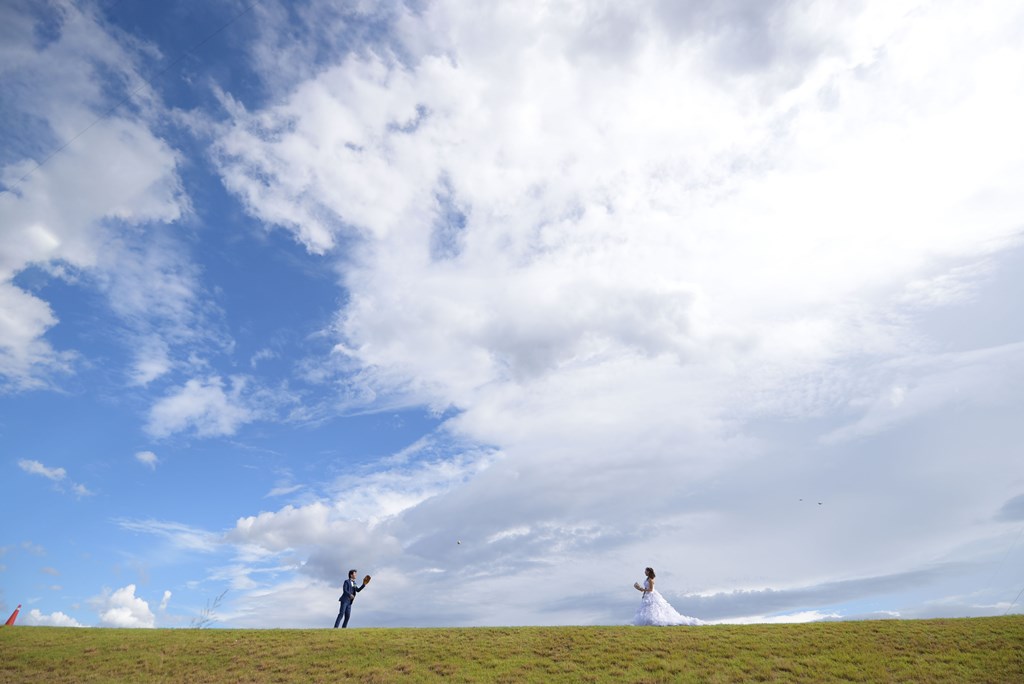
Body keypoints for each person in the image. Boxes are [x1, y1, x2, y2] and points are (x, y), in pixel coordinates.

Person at [632, 566, 703, 626]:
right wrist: (641, 589)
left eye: (646, 571)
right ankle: (648, 621)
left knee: (654, 608)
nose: (644, 572)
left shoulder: (650, 580)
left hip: (651, 595)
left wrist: (643, 589)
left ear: (649, 572)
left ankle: (654, 620)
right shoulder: (647, 579)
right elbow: (646, 589)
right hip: (647, 595)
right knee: (646, 609)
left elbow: (651, 590)